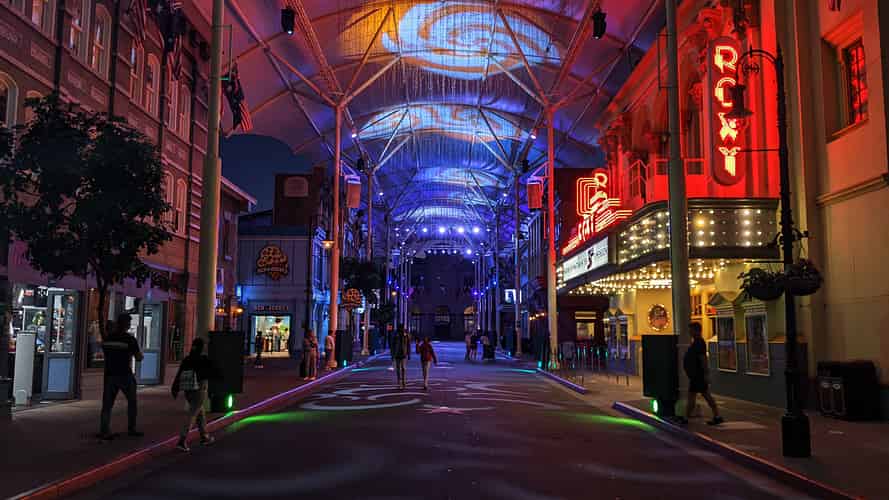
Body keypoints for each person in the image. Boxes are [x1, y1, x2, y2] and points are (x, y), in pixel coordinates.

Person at [98, 314, 143, 440]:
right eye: (128, 323)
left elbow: (105, 352)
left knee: (107, 405)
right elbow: (138, 358)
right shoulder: (130, 339)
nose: (129, 325)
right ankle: (131, 429)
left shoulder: (108, 338)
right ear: (126, 324)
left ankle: (104, 430)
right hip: (125, 374)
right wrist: (139, 355)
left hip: (110, 375)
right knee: (132, 402)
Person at [172, 338, 217, 452]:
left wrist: (175, 387)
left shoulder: (187, 359)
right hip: (199, 389)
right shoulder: (203, 359)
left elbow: (179, 373)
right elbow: (212, 373)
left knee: (199, 412)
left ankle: (204, 436)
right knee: (193, 413)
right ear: (202, 347)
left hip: (188, 389)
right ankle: (182, 440)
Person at [681, 322, 723, 426]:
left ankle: (716, 415)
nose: (689, 332)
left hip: (698, 375)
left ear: (696, 331)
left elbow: (703, 359)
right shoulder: (696, 342)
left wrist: (706, 374)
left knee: (703, 395)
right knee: (695, 395)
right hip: (695, 375)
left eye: (691, 330)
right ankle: (686, 417)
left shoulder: (699, 343)